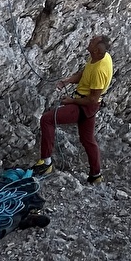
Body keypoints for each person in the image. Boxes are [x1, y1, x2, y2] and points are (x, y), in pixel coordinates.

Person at [32, 34, 113, 183]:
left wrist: (71, 101)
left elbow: (92, 99)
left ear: (96, 50)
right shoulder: (99, 57)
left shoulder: (100, 70)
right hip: (88, 105)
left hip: (85, 106)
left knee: (47, 119)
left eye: (93, 41)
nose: (90, 39)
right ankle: (96, 175)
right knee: (88, 139)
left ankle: (46, 163)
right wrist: (68, 81)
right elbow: (85, 73)